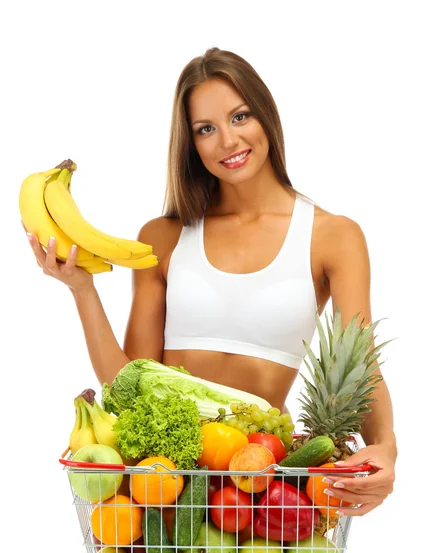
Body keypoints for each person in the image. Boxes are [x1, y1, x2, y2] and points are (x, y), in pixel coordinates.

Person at [23, 47, 396, 516]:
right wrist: (82, 288)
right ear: (191, 144)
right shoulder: (162, 237)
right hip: (160, 475)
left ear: (266, 118)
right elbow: (129, 380)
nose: (227, 141)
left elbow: (361, 360)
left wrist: (385, 447)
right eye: (206, 129)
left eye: (240, 116)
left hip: (258, 474)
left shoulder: (333, 236)